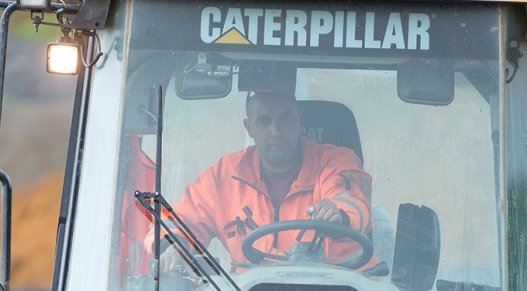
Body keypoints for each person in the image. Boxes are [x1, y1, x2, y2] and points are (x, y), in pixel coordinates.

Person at [155, 91, 375, 276]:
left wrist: (339, 215)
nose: (276, 131)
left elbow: (351, 199)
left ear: (299, 119)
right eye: (264, 121)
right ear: (248, 127)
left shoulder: (334, 162)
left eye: (286, 119)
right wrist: (174, 245)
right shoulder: (223, 177)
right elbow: (180, 219)